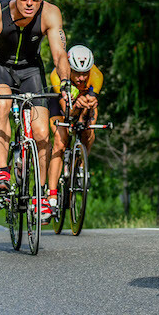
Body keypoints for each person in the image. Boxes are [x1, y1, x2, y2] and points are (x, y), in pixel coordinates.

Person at [0, 0, 70, 217]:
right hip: (0, 67)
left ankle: (39, 194)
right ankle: (2, 171)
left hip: (31, 70)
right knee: (3, 105)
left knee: (41, 133)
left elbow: (60, 55)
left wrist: (66, 83)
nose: (30, 3)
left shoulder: (51, 13)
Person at [46, 45, 102, 221]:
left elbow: (92, 101)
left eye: (85, 73)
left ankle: (80, 166)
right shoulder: (57, 75)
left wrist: (85, 114)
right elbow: (66, 109)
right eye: (77, 72)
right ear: (69, 67)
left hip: (84, 101)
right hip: (60, 102)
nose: (81, 77)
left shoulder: (97, 76)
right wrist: (75, 108)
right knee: (60, 142)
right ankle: (52, 196)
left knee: (89, 131)